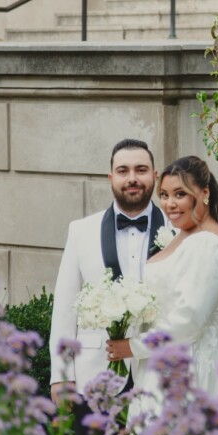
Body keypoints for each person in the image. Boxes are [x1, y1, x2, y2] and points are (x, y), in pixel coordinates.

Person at [107, 155, 218, 416]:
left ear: (205, 193)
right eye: (164, 194)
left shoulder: (209, 245)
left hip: (191, 371)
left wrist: (133, 346)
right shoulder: (188, 235)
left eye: (180, 194)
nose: (169, 204)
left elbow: (189, 319)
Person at [49, 138, 166, 404]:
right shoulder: (80, 231)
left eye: (141, 169)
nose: (132, 178)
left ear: (155, 176)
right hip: (93, 375)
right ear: (111, 177)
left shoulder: (177, 231)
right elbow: (66, 307)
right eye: (123, 171)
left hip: (158, 376)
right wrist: (61, 374)